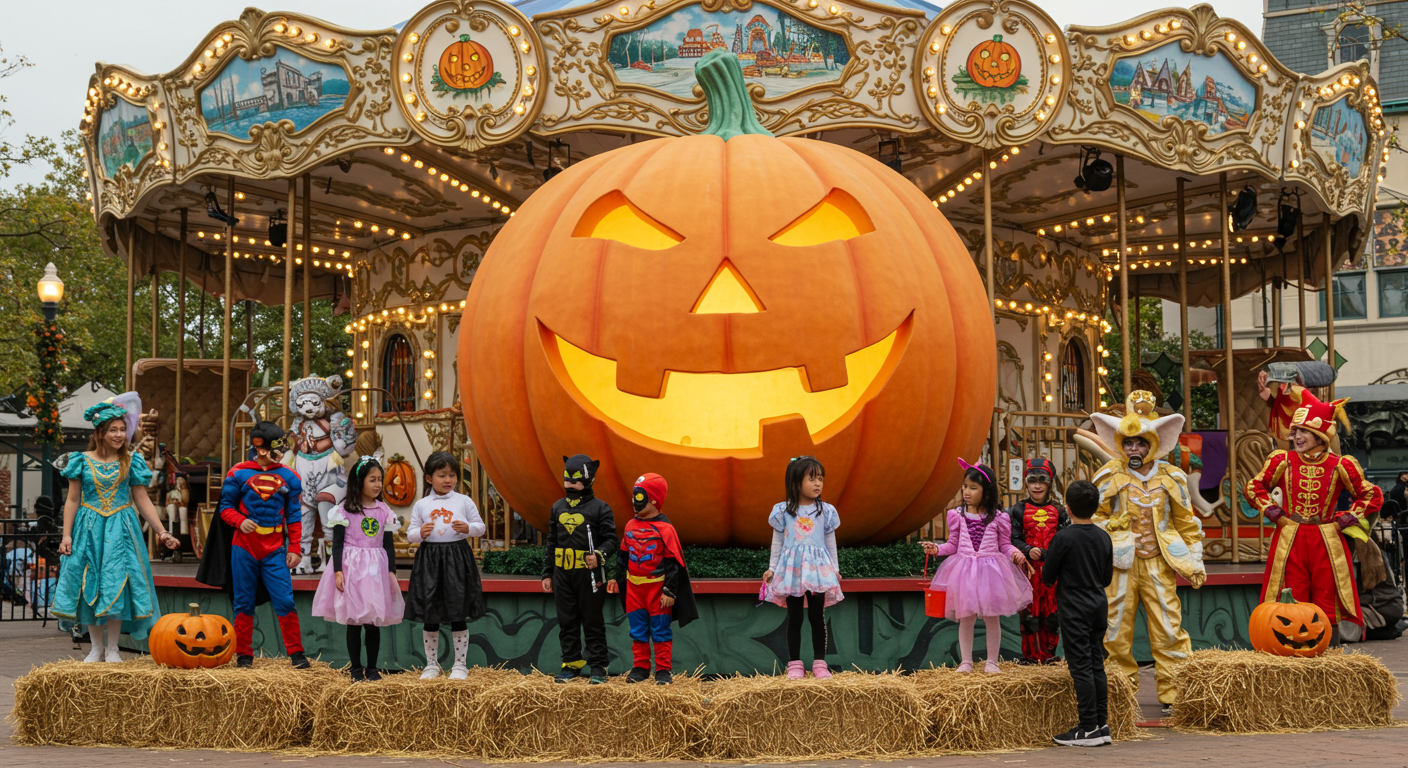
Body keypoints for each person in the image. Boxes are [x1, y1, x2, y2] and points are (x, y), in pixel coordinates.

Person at [1089, 391, 1205, 713]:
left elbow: (1186, 521)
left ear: (1153, 443)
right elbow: (1091, 516)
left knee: (1169, 628)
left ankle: (1174, 694)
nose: (1134, 449)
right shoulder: (1109, 475)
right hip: (1121, 566)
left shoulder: (1172, 478)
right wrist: (1113, 525)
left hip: (1158, 564)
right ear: (1120, 445)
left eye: (1140, 443)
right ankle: (1121, 694)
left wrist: (1194, 559)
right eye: (1128, 443)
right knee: (1114, 632)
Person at [1243, 392, 1382, 640]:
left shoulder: (1341, 465)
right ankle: (1291, 644)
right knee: (1291, 591)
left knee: (1327, 593)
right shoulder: (1282, 460)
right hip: (1290, 537)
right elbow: (1254, 487)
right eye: (1294, 431)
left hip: (1326, 539)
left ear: (1320, 435)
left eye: (1302, 432)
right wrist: (1274, 512)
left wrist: (1347, 518)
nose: (1295, 437)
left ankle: (1329, 646)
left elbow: (1372, 495)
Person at [53, 395, 180, 662]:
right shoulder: (80, 460)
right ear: (100, 433)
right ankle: (96, 646)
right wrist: (66, 535)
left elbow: (141, 497)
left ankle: (113, 648)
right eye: (114, 429)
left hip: (122, 529)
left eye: (123, 429)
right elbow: (72, 499)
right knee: (92, 582)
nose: (120, 434)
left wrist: (161, 531)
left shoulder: (131, 461)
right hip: (88, 530)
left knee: (118, 584)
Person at [922, 460, 1031, 673]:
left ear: (987, 493)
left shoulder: (1000, 518)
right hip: (964, 572)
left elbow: (1004, 545)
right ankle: (966, 662)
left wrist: (1016, 553)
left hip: (991, 572)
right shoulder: (956, 516)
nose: (966, 492)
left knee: (992, 617)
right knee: (966, 617)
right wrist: (936, 549)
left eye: (973, 487)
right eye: (965, 486)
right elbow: (953, 545)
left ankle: (992, 662)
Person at [216, 421, 309, 669]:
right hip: (244, 546)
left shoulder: (290, 476)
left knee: (285, 600)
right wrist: (240, 520)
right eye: (279, 448)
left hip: (275, 548)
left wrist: (295, 548)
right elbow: (225, 508)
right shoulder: (238, 473)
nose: (283, 453)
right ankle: (244, 654)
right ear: (263, 449)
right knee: (243, 601)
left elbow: (295, 516)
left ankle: (297, 654)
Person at [311, 453, 403, 681]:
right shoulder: (344, 510)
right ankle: (355, 668)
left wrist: (391, 571)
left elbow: (388, 545)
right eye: (372, 479)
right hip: (352, 570)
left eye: (380, 479)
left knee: (373, 622)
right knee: (354, 621)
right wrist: (338, 571)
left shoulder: (384, 511)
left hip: (375, 572)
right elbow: (338, 543)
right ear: (359, 480)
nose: (377, 484)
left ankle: (372, 668)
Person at [608, 473, 697, 685]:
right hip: (634, 590)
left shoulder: (665, 529)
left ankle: (663, 670)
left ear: (654, 500)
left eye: (640, 497)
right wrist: (616, 579)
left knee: (660, 629)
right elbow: (623, 556)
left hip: (657, 590)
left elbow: (672, 563)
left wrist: (669, 591)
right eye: (634, 496)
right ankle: (640, 667)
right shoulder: (630, 526)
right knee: (637, 630)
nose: (634, 501)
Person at [1043, 480, 1114, 748]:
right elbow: (1106, 577)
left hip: (1074, 607)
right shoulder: (1103, 536)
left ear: (1068, 508)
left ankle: (1087, 729)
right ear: (1095, 508)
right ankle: (1101, 725)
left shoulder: (1063, 537)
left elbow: (1048, 576)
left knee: (1081, 666)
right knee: (1097, 663)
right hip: (1098, 603)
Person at [405, 451, 486, 680]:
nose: (448, 480)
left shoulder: (463, 500)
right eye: (442, 475)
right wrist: (420, 533)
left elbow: (480, 527)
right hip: (429, 559)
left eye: (452, 475)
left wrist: (467, 529)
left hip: (457, 558)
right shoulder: (422, 504)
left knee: (457, 609)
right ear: (429, 478)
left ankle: (460, 664)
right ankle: (431, 664)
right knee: (431, 612)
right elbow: (411, 534)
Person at [764, 456, 844, 679]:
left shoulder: (825, 511)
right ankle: (795, 664)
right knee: (795, 617)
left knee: (817, 616)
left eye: (821, 478)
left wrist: (834, 569)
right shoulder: (783, 511)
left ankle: (820, 663)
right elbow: (778, 542)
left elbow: (830, 542)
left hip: (818, 570)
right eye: (812, 479)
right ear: (796, 482)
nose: (818, 483)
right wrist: (772, 568)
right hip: (792, 571)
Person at [541, 454, 618, 684]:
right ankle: (570, 665)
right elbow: (551, 541)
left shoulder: (600, 508)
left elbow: (612, 540)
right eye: (566, 480)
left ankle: (598, 667)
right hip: (563, 575)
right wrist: (548, 572)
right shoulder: (557, 507)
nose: (569, 485)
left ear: (587, 481)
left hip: (590, 575)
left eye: (574, 482)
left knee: (592, 621)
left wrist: (600, 556)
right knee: (567, 622)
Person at [1007, 457, 1069, 663]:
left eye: (1042, 480)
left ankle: (1049, 655)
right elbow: (1011, 538)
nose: (1037, 485)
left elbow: (1067, 538)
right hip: (1028, 573)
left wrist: (1052, 555)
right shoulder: (1017, 510)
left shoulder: (1060, 511)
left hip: (1053, 575)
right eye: (1032, 480)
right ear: (1026, 482)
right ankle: (1030, 657)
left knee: (1052, 616)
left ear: (1050, 483)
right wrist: (1026, 549)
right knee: (1029, 616)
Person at [1340, 537, 1405, 643]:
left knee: (1337, 624)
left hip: (1379, 607)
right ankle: (1387, 629)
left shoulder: (1361, 554)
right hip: (1383, 605)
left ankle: (1385, 630)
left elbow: (1353, 596)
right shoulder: (1369, 548)